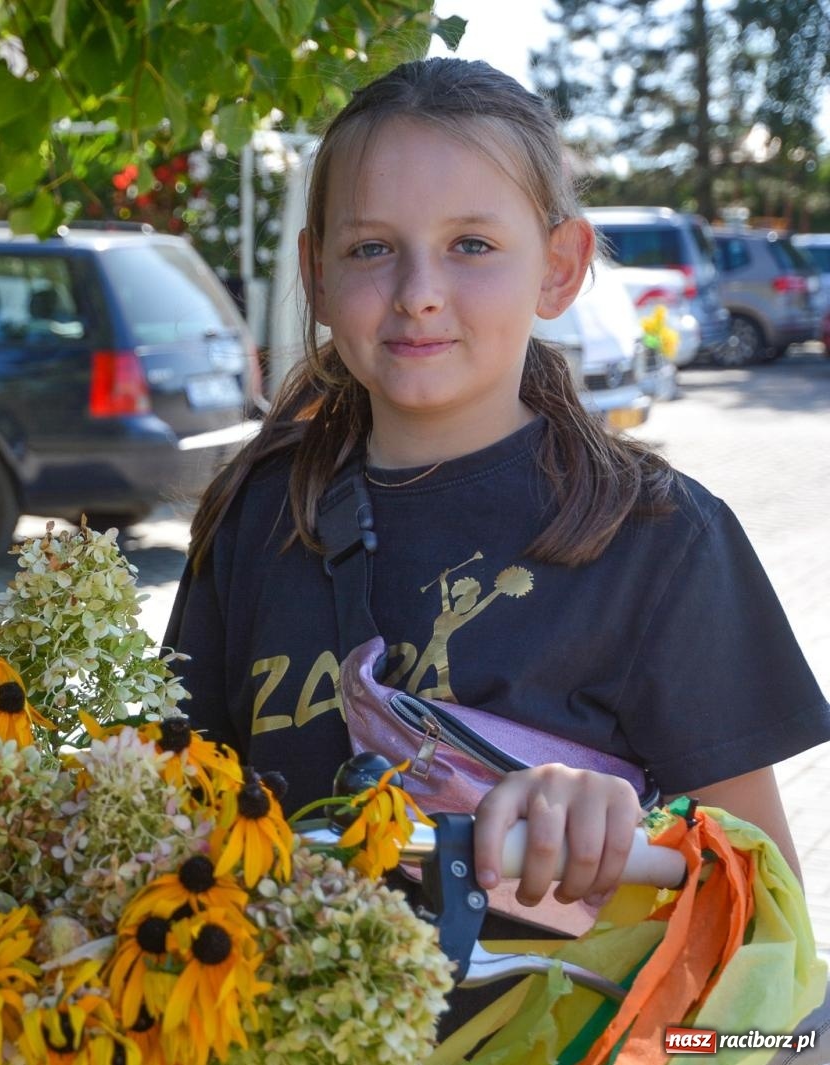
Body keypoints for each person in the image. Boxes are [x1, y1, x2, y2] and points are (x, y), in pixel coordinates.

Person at [164, 58, 829, 925]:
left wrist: (635, 835)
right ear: (317, 275)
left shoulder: (662, 538)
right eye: (372, 249)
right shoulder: (258, 515)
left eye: (470, 246)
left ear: (560, 267)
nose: (420, 295)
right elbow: (174, 816)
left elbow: (763, 920)